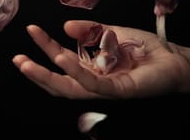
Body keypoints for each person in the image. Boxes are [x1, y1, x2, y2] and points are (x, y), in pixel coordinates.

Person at [12, 20, 190, 99]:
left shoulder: (116, 53)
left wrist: (182, 65)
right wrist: (182, 61)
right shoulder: (110, 53)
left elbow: (121, 52)